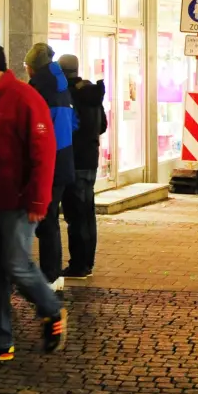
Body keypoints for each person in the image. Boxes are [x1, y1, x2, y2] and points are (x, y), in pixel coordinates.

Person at [0, 40, 68, 363]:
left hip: (17, 201)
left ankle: (52, 309)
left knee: (16, 264)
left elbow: (43, 152)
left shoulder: (24, 98)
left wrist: (38, 199)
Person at [24, 43, 77, 290]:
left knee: (45, 221)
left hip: (49, 162)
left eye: (27, 67)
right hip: (62, 159)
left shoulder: (40, 90)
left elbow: (36, 130)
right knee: (50, 219)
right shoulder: (61, 86)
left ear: (33, 68)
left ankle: (49, 276)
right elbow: (71, 124)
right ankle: (52, 275)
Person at [59, 54, 107, 279]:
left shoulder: (69, 94)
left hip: (75, 160)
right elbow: (103, 126)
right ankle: (88, 261)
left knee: (75, 215)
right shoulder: (93, 93)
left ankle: (79, 264)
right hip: (91, 159)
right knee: (87, 212)